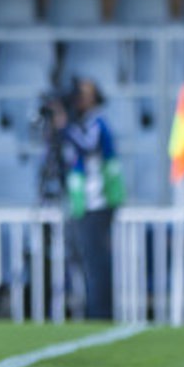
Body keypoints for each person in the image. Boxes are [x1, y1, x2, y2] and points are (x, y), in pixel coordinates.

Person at [54, 78, 125, 319]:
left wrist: (64, 127)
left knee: (96, 263)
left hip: (98, 203)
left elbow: (87, 144)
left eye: (85, 94)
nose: (80, 99)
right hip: (81, 204)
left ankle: (101, 313)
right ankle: (89, 309)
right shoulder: (81, 124)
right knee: (82, 261)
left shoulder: (96, 122)